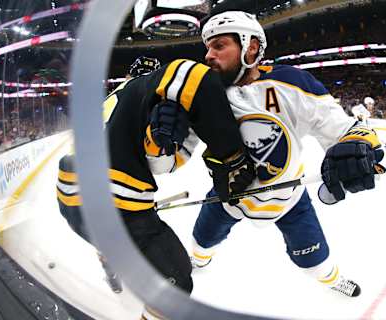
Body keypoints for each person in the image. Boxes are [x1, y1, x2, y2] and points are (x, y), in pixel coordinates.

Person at [190, 11, 386, 298]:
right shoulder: (202, 94)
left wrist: (359, 146)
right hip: (228, 195)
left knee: (316, 262)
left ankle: (331, 280)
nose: (208, 55)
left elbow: (346, 129)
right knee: (201, 242)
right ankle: (198, 261)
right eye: (207, 48)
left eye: (218, 46)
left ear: (251, 47)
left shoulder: (292, 84)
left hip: (288, 200)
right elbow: (168, 157)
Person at [56, 59, 256, 317]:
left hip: (68, 195)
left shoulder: (110, 99)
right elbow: (189, 74)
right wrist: (231, 156)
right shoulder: (151, 88)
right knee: (176, 282)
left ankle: (110, 268)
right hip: (115, 203)